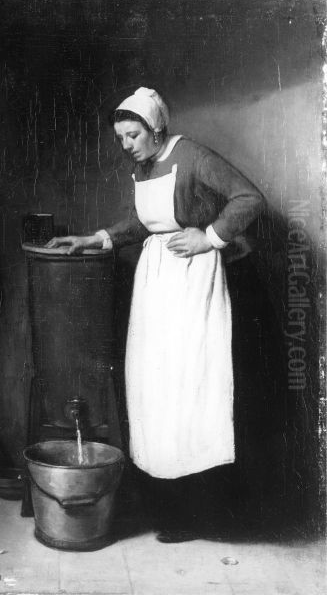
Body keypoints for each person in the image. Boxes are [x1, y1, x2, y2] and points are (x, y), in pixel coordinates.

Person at [46, 87, 268, 541]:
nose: (126, 145)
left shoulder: (192, 155)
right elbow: (143, 223)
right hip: (155, 284)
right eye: (121, 138)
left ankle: (200, 512)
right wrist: (94, 238)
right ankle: (167, 508)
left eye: (133, 135)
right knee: (154, 390)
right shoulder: (144, 168)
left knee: (190, 390)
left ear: (157, 129)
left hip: (192, 280)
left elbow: (249, 198)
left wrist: (210, 237)